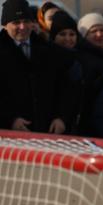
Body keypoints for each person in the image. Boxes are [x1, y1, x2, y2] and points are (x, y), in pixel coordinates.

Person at [0, 0, 71, 133]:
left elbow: (64, 88)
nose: (22, 27)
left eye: (26, 21)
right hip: (9, 135)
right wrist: (10, 119)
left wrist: (61, 117)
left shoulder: (49, 50)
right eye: (16, 22)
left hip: (48, 131)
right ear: (4, 25)